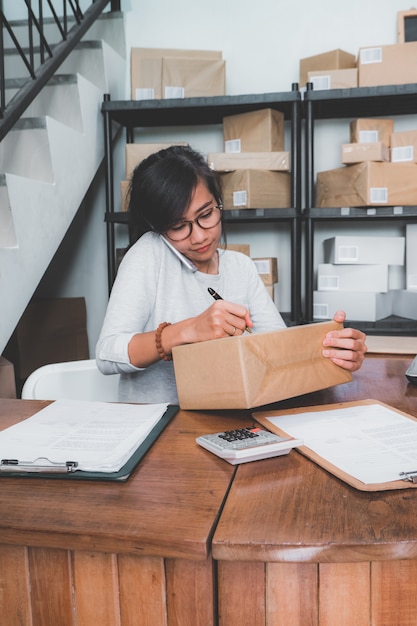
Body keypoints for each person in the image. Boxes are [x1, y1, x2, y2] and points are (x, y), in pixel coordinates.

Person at [96, 145, 367, 404]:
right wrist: (186, 330)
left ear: (219, 203)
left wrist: (332, 352)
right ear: (157, 227)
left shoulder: (241, 267)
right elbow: (107, 355)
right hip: (162, 426)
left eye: (206, 214)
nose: (200, 236)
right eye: (178, 226)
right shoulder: (148, 254)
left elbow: (275, 348)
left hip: (231, 421)